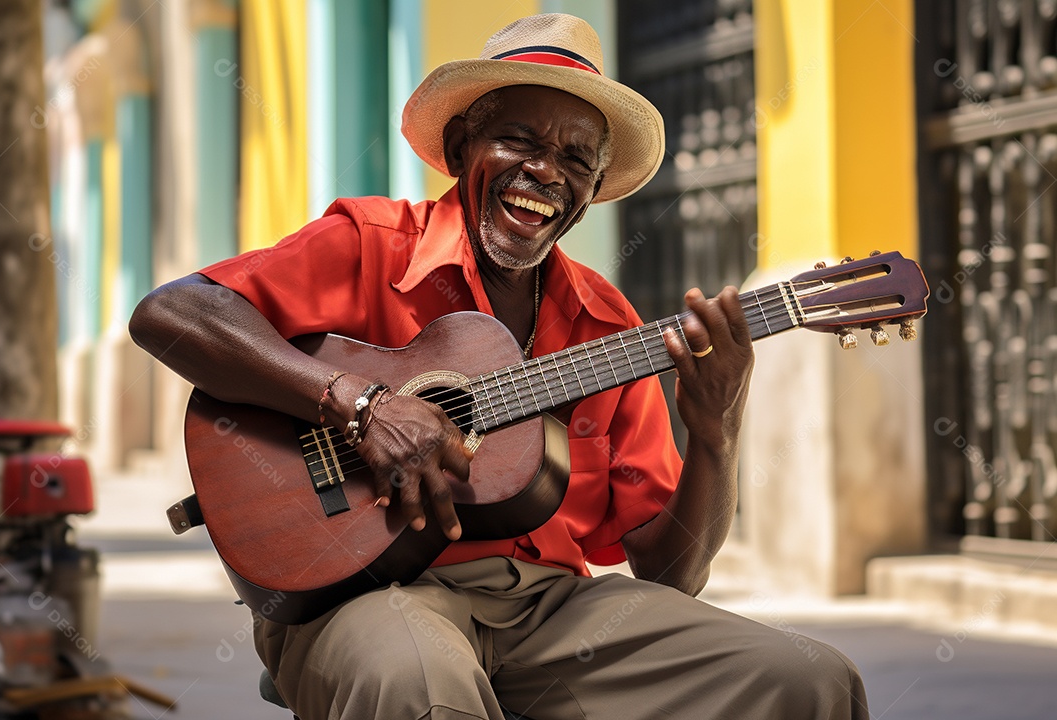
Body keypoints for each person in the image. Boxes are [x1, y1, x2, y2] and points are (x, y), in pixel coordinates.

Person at [130, 13, 868, 720]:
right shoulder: (367, 243)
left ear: (590, 194)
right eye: (519, 140)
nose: (546, 172)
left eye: (577, 159)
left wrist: (716, 430)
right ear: (460, 150)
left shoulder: (610, 327)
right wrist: (358, 404)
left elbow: (673, 577)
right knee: (422, 686)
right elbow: (169, 315)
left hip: (550, 609)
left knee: (808, 682)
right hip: (360, 598)